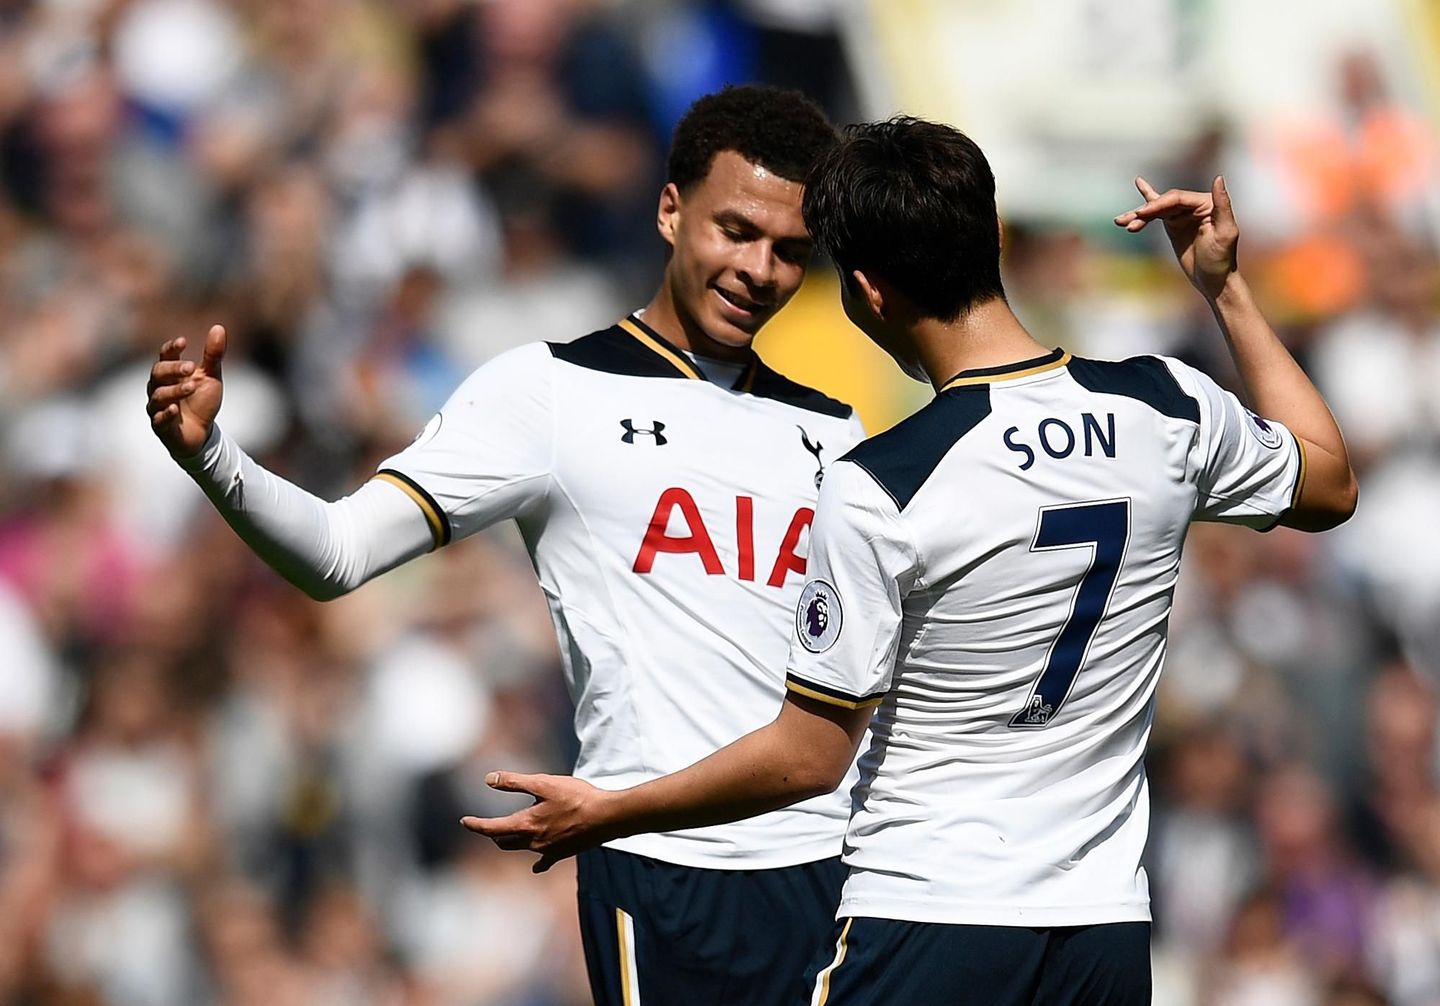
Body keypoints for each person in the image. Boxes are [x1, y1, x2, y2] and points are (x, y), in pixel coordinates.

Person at [462, 118, 1359, 1004]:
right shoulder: (1166, 406)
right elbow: (1328, 482)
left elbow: (809, 758)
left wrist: (611, 808)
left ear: (866, 294)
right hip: (1104, 930)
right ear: (988, 239)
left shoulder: (883, 487)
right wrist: (1225, 289)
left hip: (927, 919)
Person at [144, 86, 867, 1006]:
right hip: (662, 872)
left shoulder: (836, 431)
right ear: (669, 209)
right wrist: (213, 455)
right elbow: (336, 553)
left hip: (836, 869)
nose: (759, 269)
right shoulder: (549, 393)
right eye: (735, 231)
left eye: (789, 251)